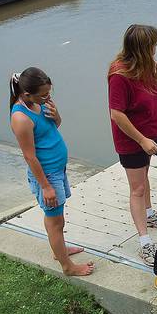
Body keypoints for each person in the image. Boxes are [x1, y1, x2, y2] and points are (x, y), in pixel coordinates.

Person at [9, 67, 94, 277]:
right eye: (44, 94)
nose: (48, 97)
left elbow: (54, 127)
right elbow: (30, 156)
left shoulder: (40, 104)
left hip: (58, 170)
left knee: (57, 219)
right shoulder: (21, 118)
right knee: (55, 221)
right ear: (27, 94)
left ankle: (60, 251)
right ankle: (68, 267)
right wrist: (46, 187)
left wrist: (56, 116)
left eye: (49, 92)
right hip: (47, 176)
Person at [108, 24, 157, 268]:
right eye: (153, 45)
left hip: (149, 132)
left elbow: (147, 91)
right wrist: (142, 140)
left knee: (145, 177)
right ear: (143, 48)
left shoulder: (144, 66)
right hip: (133, 139)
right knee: (136, 188)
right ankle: (145, 241)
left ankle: (148, 213)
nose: (156, 48)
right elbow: (117, 114)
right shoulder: (119, 75)